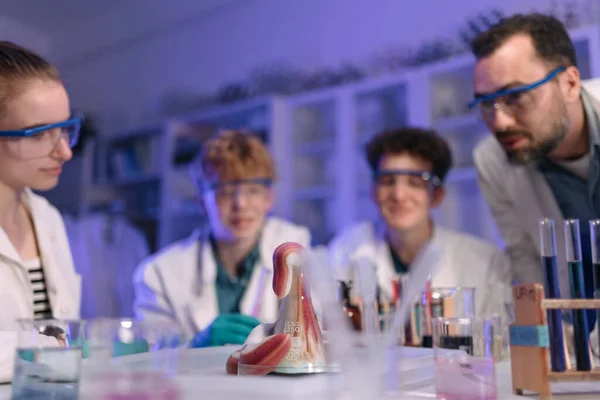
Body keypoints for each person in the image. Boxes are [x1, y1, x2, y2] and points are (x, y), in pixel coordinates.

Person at [470, 13, 600, 329]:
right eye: (486, 103)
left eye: (516, 96)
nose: (499, 122)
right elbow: (526, 258)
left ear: (569, 83)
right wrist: (552, 338)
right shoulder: (492, 159)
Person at [133, 130, 311, 347]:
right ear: (202, 200)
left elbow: (318, 337)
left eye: (253, 191)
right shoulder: (160, 273)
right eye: (226, 192)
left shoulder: (297, 252)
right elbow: (149, 358)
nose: (241, 204)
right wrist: (194, 346)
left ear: (269, 198)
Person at [329, 127, 513, 324]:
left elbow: (500, 344)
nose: (399, 195)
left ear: (437, 195)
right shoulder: (346, 251)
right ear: (374, 192)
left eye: (415, 182)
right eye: (388, 181)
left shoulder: (484, 264)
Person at [0, 42, 82, 382]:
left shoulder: (47, 217)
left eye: (64, 128)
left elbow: (64, 333)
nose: (64, 152)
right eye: (39, 134)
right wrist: (55, 349)